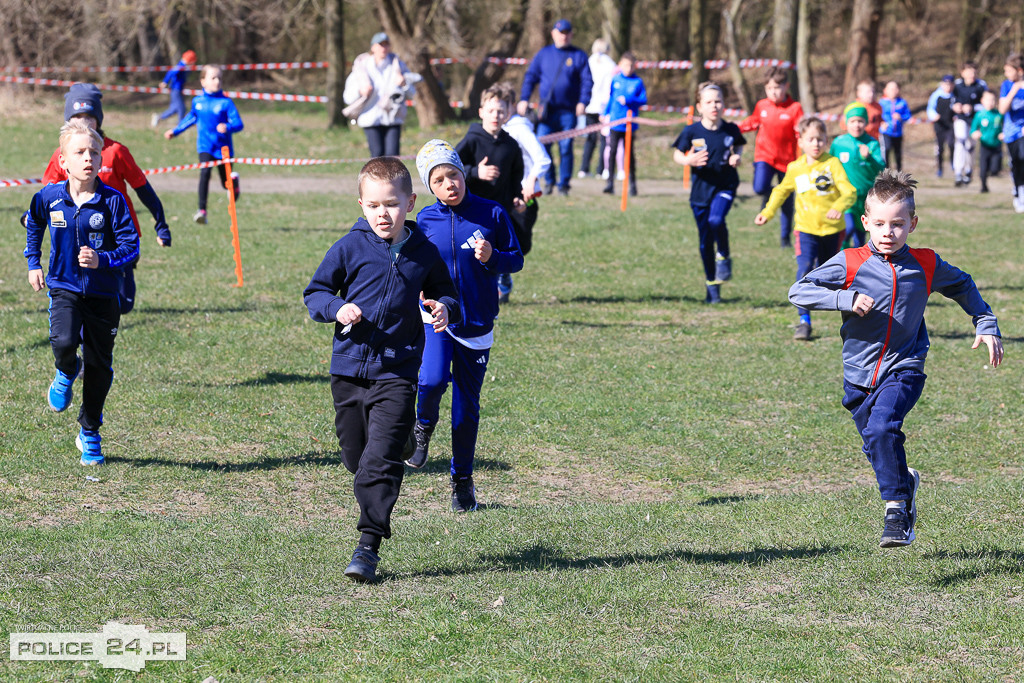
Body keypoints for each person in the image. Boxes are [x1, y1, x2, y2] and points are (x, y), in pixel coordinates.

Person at [788, 169, 1003, 548]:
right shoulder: (850, 262)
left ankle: (896, 511)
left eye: (898, 224)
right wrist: (845, 298)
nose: (889, 232)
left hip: (904, 367)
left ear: (913, 224)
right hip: (857, 375)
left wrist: (985, 322)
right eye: (881, 224)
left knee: (882, 428)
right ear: (866, 222)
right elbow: (799, 291)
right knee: (875, 442)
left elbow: (963, 285)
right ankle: (905, 483)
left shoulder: (926, 264)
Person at [302, 156, 461, 583]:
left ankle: (367, 546)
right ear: (361, 204)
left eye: (390, 204)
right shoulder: (349, 247)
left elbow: (446, 291)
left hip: (398, 369)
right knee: (356, 457)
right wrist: (337, 308)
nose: (382, 213)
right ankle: (405, 439)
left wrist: (444, 306)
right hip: (350, 368)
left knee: (378, 463)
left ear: (409, 202)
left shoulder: (423, 252)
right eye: (373, 205)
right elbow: (315, 292)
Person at [407, 140, 524, 513]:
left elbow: (516, 259)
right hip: (436, 316)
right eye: (438, 180)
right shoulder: (425, 220)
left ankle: (462, 481)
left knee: (466, 409)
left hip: (477, 322)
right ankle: (422, 426)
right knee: (431, 380)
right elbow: (412, 263)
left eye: (453, 175)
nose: (449, 185)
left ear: (463, 173)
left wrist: (493, 258)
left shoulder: (491, 213)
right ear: (430, 186)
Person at [24, 119, 140, 466]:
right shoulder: (49, 198)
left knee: (100, 366)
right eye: (80, 152)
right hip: (63, 287)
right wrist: (34, 262)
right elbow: (33, 223)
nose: (88, 158)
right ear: (64, 161)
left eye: (94, 152)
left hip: (104, 295)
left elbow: (131, 247)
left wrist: (101, 259)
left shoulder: (113, 201)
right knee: (62, 342)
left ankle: (89, 431)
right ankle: (65, 369)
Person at [29, 83, 170, 315]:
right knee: (83, 297)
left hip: (117, 236)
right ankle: (80, 336)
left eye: (89, 116)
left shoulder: (115, 151)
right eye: (77, 117)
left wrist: (161, 223)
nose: (84, 123)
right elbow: (48, 195)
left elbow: (143, 189)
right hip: (80, 236)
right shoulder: (62, 155)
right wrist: (31, 216)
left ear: (99, 119)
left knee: (122, 304)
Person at [754, 116, 856, 341]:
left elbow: (849, 192)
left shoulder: (833, 164)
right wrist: (767, 212)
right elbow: (781, 191)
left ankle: (852, 321)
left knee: (835, 277)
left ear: (826, 141)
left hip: (832, 231)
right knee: (804, 271)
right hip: (805, 230)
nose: (816, 144)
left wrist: (839, 207)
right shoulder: (795, 168)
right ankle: (804, 321)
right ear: (800, 141)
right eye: (811, 139)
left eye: (820, 139)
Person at [672, 82, 745, 304]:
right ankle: (712, 285)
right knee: (704, 242)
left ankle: (723, 252)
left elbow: (739, 145)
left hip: (725, 186)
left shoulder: (731, 130)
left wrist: (736, 157)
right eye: (709, 102)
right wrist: (688, 160)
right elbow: (677, 153)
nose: (714, 106)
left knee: (716, 220)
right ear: (699, 107)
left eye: (718, 101)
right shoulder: (691, 131)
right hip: (700, 192)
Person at [517, 19, 593, 196]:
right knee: (543, 146)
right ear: (553, 34)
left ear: (571, 34)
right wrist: (524, 99)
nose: (563, 36)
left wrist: (583, 101)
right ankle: (549, 182)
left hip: (568, 111)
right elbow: (530, 77)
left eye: (566, 32)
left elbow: (587, 81)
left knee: (566, 147)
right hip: (547, 112)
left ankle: (564, 184)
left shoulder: (579, 55)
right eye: (560, 32)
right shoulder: (543, 54)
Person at [165, 64, 244, 225]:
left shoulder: (226, 103)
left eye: (220, 78)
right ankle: (202, 211)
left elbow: (238, 123)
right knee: (205, 173)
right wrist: (175, 131)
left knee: (225, 183)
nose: (217, 81)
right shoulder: (198, 101)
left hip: (223, 149)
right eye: (213, 78)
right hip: (205, 146)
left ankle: (233, 183)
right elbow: (190, 118)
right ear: (203, 81)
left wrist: (228, 127)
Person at [739, 66, 803, 248]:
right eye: (769, 89)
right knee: (759, 187)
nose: (773, 92)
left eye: (777, 88)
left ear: (786, 86)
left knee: (787, 201)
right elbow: (753, 121)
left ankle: (785, 238)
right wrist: (736, 128)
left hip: (788, 161)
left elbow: (801, 131)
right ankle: (768, 196)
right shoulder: (762, 105)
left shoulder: (795, 108)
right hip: (764, 156)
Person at [502, 84, 551, 304]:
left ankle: (503, 276)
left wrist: (531, 180)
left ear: (512, 106)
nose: (497, 113)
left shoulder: (519, 129)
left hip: (524, 197)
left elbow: (543, 158)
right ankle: (499, 282)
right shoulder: (493, 131)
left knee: (520, 246)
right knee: (495, 239)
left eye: (502, 108)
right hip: (502, 195)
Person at [342, 32, 420, 158]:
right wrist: (360, 91)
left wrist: (404, 83)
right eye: (380, 45)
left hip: (393, 117)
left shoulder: (398, 65)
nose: (383, 48)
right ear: (373, 47)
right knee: (377, 156)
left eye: (386, 44)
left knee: (392, 158)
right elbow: (347, 97)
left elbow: (412, 94)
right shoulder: (362, 67)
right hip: (370, 118)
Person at [829, 104, 885, 247]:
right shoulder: (839, 143)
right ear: (846, 123)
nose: (856, 125)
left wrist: (869, 158)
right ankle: (840, 254)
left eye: (860, 121)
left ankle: (856, 262)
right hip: (845, 196)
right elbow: (828, 164)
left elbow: (881, 168)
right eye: (852, 121)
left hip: (865, 196)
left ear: (866, 122)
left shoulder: (872, 143)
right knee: (848, 228)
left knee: (861, 235)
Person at [601, 51, 646, 197]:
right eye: (626, 65)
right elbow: (611, 98)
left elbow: (643, 100)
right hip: (615, 123)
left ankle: (632, 186)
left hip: (629, 125)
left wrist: (629, 100)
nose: (628, 68)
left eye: (631, 66)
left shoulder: (637, 82)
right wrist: (605, 113)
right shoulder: (615, 80)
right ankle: (609, 184)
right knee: (612, 152)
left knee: (629, 155)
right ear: (620, 65)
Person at [579, 38, 616, 179]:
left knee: (590, 138)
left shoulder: (588, 61)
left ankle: (583, 168)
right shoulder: (611, 64)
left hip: (589, 105)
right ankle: (601, 170)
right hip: (604, 106)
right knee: (603, 139)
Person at [952, 62, 987, 186]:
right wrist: (955, 107)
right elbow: (950, 100)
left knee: (970, 146)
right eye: (968, 72)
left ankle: (969, 171)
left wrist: (972, 107)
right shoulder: (956, 85)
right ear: (962, 73)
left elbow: (986, 104)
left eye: (973, 72)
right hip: (960, 119)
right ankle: (958, 172)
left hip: (975, 121)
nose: (971, 75)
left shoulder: (981, 85)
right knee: (960, 142)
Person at [998, 53, 1024, 212]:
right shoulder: (1007, 85)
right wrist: (1014, 90)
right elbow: (1002, 109)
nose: (1006, 74)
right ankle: (1017, 193)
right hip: (1011, 132)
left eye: (1008, 70)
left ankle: (1022, 193)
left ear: (1019, 70)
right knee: (1016, 163)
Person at [970, 90, 1004, 194]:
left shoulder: (999, 114)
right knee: (983, 169)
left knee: (995, 169)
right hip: (984, 145)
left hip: (997, 145)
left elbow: (1005, 127)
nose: (991, 102)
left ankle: (994, 171)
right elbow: (973, 130)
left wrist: (1003, 134)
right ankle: (984, 186)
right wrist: (975, 134)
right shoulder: (980, 115)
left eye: (993, 100)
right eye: (988, 100)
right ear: (982, 101)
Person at [152, 49, 197, 127]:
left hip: (177, 89)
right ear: (190, 60)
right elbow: (171, 72)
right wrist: (165, 82)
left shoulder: (183, 66)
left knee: (174, 109)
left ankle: (159, 117)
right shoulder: (181, 66)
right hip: (176, 89)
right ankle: (180, 124)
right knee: (181, 108)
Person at [926, 74, 956, 177]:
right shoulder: (936, 95)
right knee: (940, 148)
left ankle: (953, 163)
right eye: (946, 84)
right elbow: (930, 108)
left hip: (950, 125)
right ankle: (939, 168)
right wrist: (933, 116)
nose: (948, 86)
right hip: (939, 125)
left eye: (950, 84)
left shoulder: (955, 95)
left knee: (952, 144)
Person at [879, 81, 911, 170]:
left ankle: (899, 174)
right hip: (886, 132)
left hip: (898, 133)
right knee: (886, 150)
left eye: (895, 88)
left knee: (898, 154)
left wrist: (900, 117)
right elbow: (877, 116)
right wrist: (881, 123)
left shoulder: (902, 102)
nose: (893, 91)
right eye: (891, 89)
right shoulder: (881, 103)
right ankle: (885, 173)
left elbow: (908, 116)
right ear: (885, 90)